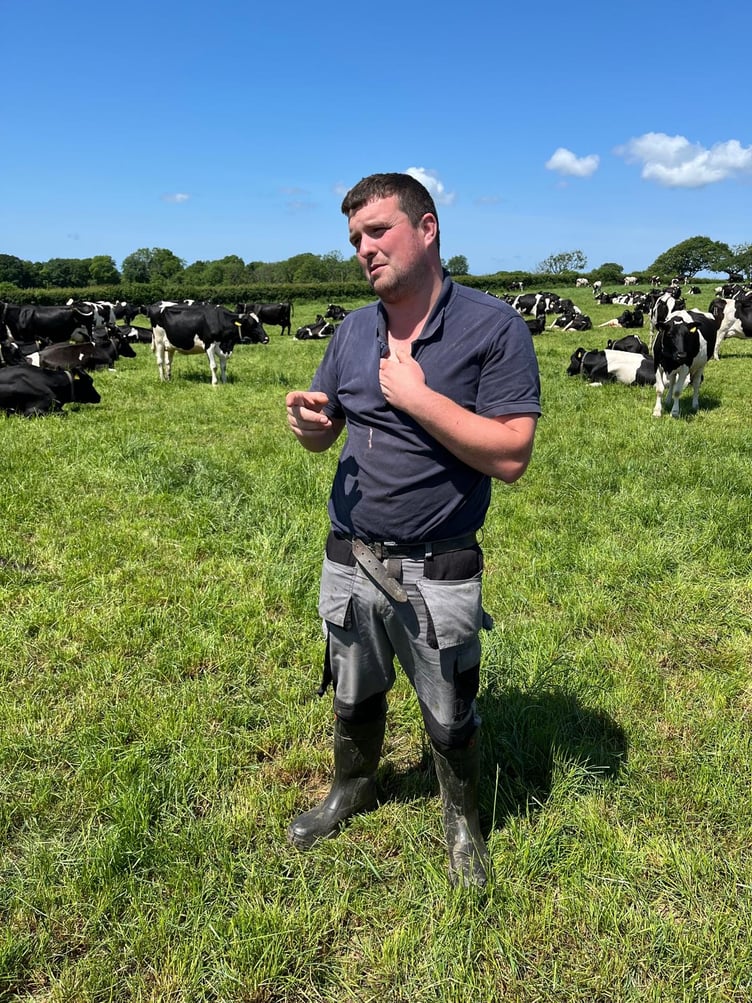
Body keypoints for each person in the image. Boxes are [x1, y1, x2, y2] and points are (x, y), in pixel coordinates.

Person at [285, 172, 540, 887]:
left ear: (426, 228)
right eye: (355, 239)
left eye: (378, 231)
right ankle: (353, 785)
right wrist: (308, 425)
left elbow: (512, 454)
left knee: (450, 708)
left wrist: (420, 399)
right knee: (353, 688)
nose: (364, 250)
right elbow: (325, 425)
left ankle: (461, 821)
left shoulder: (493, 328)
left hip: (438, 565)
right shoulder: (353, 329)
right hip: (351, 553)